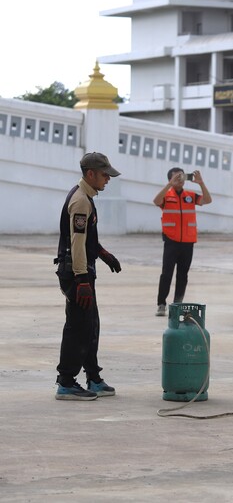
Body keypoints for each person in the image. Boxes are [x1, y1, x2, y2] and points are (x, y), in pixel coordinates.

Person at [54, 152, 122, 400]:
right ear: (91, 174)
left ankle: (93, 377)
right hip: (76, 274)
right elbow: (77, 243)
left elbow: (87, 240)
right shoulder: (81, 200)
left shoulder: (87, 197)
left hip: (82, 270)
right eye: (105, 175)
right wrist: (82, 279)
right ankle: (66, 382)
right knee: (78, 327)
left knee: (90, 325)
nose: (108, 179)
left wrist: (102, 252)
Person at [152, 168, 212, 316]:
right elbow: (156, 201)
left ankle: (177, 303)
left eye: (182, 176)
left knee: (183, 275)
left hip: (188, 242)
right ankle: (161, 304)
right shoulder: (166, 196)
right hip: (171, 241)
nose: (180, 179)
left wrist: (201, 183)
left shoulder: (190, 196)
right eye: (176, 177)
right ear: (170, 179)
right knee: (166, 274)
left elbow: (207, 200)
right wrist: (169, 185)